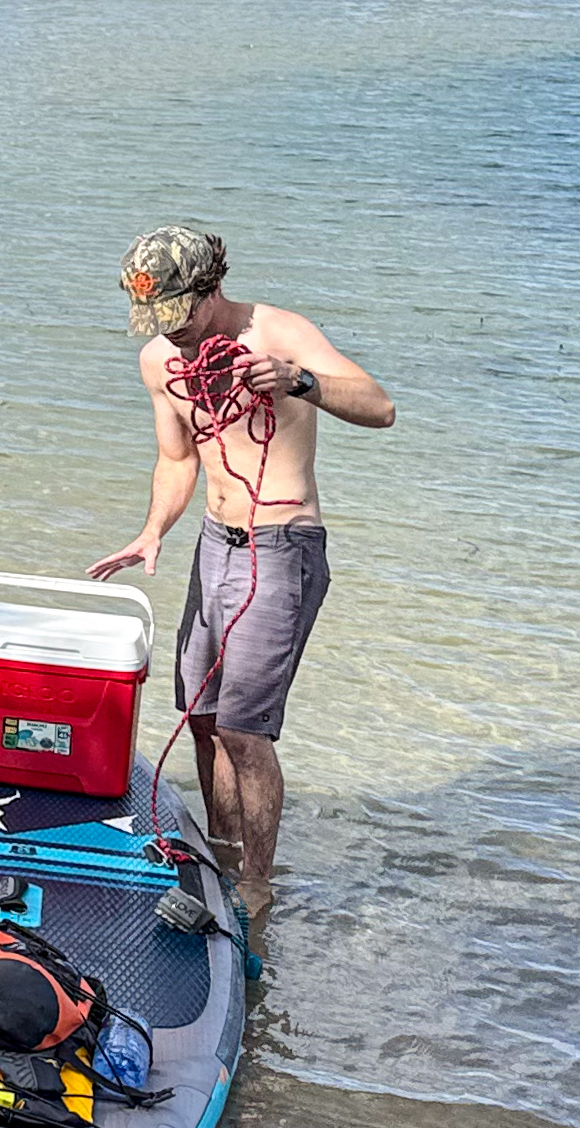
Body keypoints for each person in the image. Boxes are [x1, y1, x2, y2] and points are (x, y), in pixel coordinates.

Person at [87, 225, 393, 921]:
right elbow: (178, 458)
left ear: (212, 288)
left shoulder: (279, 332)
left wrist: (300, 382)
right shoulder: (158, 361)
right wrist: (152, 529)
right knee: (201, 717)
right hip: (213, 544)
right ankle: (219, 857)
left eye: (181, 315)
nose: (174, 334)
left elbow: (381, 407)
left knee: (247, 732)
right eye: (157, 319)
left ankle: (256, 887)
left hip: (283, 545)